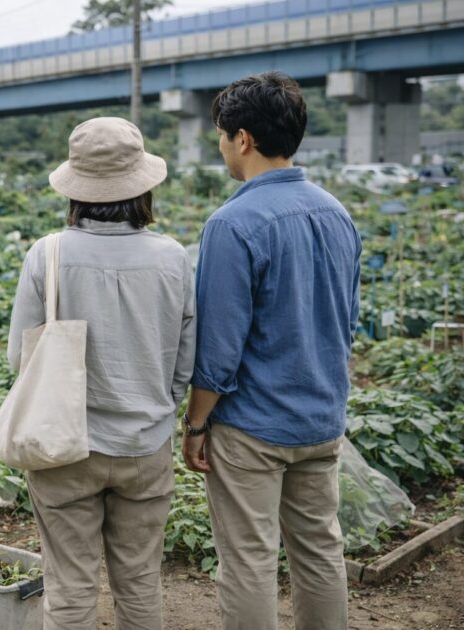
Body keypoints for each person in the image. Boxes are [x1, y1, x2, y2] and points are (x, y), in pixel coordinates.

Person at [181, 72, 362, 630]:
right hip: (321, 419)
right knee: (320, 551)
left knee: (248, 561)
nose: (221, 145)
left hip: (252, 429)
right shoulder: (337, 212)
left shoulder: (232, 224)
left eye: (220, 134)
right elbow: (346, 320)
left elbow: (219, 347)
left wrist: (195, 424)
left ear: (242, 139)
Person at [8, 117, 195, 630]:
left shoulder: (47, 254)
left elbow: (19, 360)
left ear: (76, 188)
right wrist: (159, 405)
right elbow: (186, 361)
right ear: (142, 187)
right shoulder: (173, 258)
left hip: (64, 446)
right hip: (145, 446)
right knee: (139, 584)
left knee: (69, 589)